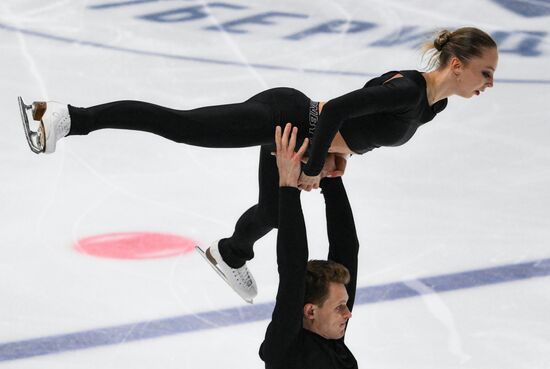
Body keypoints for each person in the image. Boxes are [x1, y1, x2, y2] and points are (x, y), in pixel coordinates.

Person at [18, 27, 498, 302]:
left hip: (301, 134)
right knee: (180, 124)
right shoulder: (409, 90)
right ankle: (67, 118)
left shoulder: (432, 106)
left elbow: (358, 122)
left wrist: (339, 153)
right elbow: (334, 110)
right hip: (287, 118)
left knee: (274, 212)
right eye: (485, 73)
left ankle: (229, 253)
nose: (488, 83)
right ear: (457, 64)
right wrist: (312, 162)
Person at [259, 123, 358, 368]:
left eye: (343, 305)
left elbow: (346, 248)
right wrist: (287, 188)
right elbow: (292, 270)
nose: (348, 313)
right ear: (310, 311)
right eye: (340, 307)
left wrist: (329, 175)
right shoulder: (286, 351)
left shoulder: (329, 335)